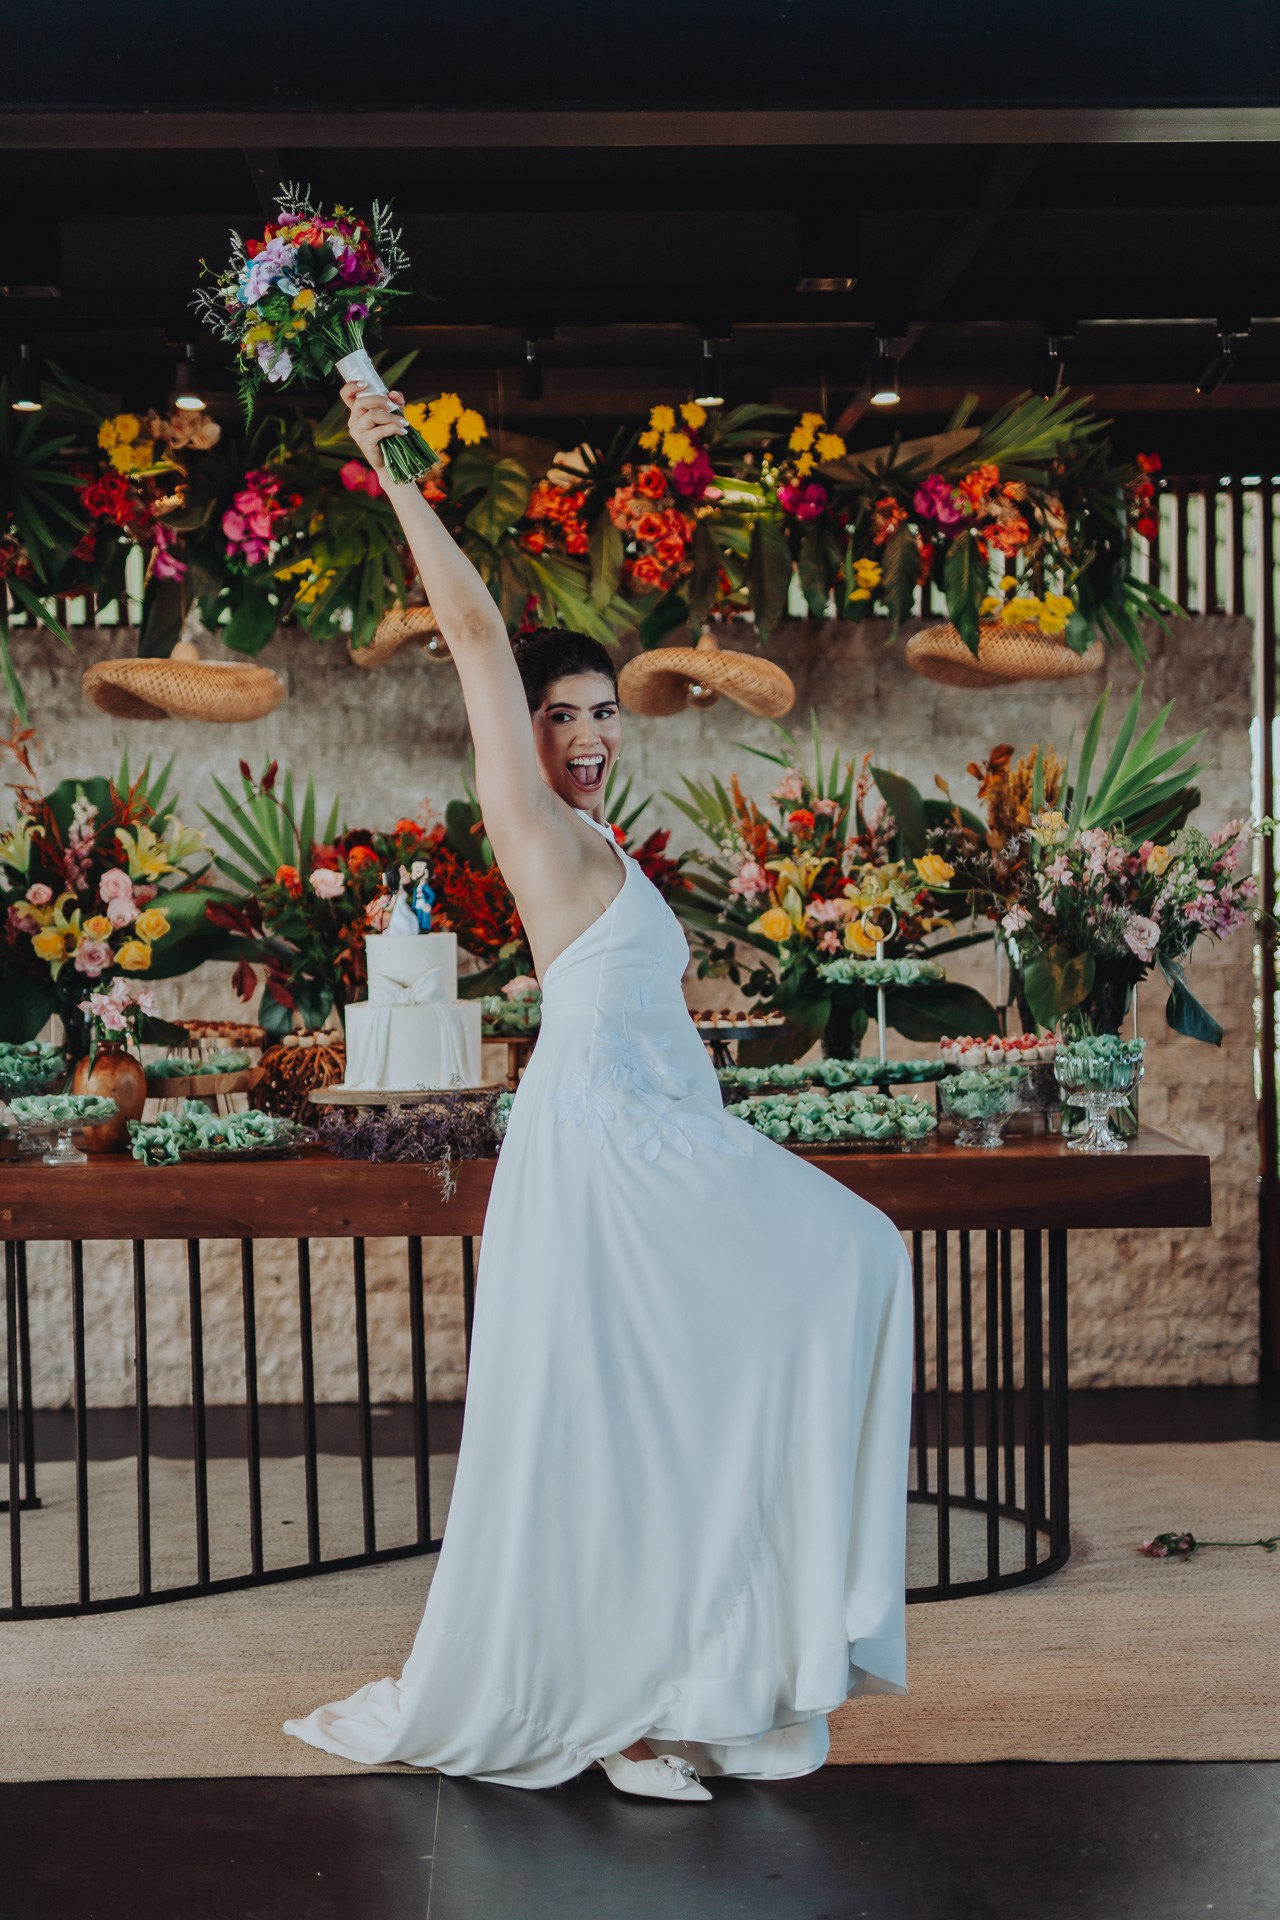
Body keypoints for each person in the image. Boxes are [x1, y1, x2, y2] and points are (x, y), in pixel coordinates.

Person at [283, 381, 915, 1803]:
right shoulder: (528, 826)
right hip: (607, 1148)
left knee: (676, 1400)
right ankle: (628, 1707)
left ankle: (689, 1680)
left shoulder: (605, 842)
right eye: (559, 714)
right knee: (839, 1264)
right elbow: (471, 627)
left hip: (662, 1134)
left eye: (599, 715)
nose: (586, 735)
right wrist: (391, 462)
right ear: (518, 723)